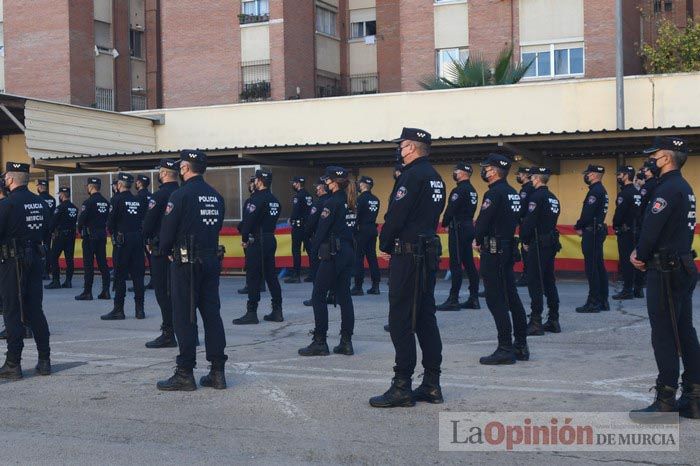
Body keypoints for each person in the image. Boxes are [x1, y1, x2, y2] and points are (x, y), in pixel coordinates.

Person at [370, 127, 445, 408]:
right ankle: (432, 383)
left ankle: (402, 385)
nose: (399, 150)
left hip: (409, 255)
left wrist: (385, 244)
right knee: (425, 317)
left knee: (401, 319)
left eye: (402, 146)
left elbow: (396, 216)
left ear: (412, 148)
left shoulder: (411, 176)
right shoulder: (436, 177)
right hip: (426, 254)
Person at [629, 136, 700, 420]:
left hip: (666, 271)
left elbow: (651, 229)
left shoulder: (668, 189)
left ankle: (666, 400)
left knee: (664, 335)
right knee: (685, 331)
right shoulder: (683, 187)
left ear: (667, 159)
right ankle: (694, 397)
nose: (650, 162)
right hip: (681, 266)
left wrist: (640, 255)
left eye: (654, 157)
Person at [155, 150, 228, 391]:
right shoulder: (216, 196)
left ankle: (185, 372)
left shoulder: (180, 195)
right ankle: (217, 372)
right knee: (212, 315)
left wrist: (165, 249)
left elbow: (167, 233)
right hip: (210, 260)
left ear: (185, 168)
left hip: (186, 264)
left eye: (181, 166)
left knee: (185, 317)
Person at [474, 154, 529, 365]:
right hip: (507, 248)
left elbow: (483, 222)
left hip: (494, 250)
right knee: (511, 296)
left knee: (496, 299)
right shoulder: (513, 193)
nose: (484, 171)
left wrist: (477, 239)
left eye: (486, 168)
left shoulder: (494, 193)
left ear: (494, 171)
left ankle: (505, 347)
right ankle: (521, 345)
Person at [0, 162, 52, 379]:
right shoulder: (41, 203)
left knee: (12, 310)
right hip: (36, 260)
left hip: (13, 263)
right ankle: (44, 360)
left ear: (10, 180)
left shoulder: (7, 204)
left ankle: (13, 363)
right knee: (34, 310)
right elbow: (48, 232)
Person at [298, 166, 357, 357]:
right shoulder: (350, 202)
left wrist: (314, 252)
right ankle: (346, 342)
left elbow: (322, 230)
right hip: (348, 250)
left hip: (333, 252)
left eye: (327, 180)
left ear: (332, 182)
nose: (325, 183)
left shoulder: (332, 203)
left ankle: (320, 341)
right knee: (344, 296)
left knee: (318, 296)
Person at [233, 169, 284, 325]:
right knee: (271, 275)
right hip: (270, 238)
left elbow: (248, 221)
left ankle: (251, 312)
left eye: (255, 180)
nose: (254, 182)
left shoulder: (256, 200)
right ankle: (277, 310)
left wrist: (244, 238)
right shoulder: (275, 200)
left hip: (257, 240)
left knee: (253, 276)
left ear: (260, 181)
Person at [143, 160, 180, 348]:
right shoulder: (183, 193)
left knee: (163, 293)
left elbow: (148, 225)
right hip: (182, 250)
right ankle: (186, 331)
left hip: (161, 250)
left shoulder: (159, 196)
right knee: (181, 293)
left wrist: (147, 239)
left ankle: (168, 333)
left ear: (164, 174)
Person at [521, 167, 561, 335]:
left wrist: (524, 239)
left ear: (536, 178)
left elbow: (530, 222)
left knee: (535, 281)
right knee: (549, 280)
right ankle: (553, 319)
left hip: (538, 243)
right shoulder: (553, 198)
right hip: (550, 242)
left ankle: (536, 321)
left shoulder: (536, 197)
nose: (531, 180)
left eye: (532, 178)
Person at [101, 173, 146, 320]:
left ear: (119, 185)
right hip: (138, 239)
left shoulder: (116, 199)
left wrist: (114, 235)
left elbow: (110, 222)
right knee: (138, 276)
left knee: (120, 276)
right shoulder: (138, 199)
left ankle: (118, 309)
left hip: (123, 241)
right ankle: (140, 310)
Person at [437, 162, 480, 311]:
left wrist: (445, 223)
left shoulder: (459, 190)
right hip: (468, 227)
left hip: (458, 229)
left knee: (455, 264)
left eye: (456, 171)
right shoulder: (473, 190)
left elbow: (451, 209)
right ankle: (474, 298)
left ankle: (453, 299)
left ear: (462, 173)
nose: (454, 173)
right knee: (469, 263)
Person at [574, 164, 610, 313]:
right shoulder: (601, 190)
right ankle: (602, 300)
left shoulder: (595, 191)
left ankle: (594, 302)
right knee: (599, 267)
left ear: (594, 175)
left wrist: (578, 226)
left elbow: (587, 214)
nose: (586, 176)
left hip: (592, 232)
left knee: (593, 268)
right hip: (597, 231)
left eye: (588, 174)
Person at [75, 177, 111, 301]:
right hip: (102, 236)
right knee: (103, 264)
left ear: (90, 187)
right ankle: (106, 291)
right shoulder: (106, 202)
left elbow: (81, 220)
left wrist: (80, 230)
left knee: (88, 264)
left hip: (89, 237)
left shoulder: (88, 202)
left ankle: (87, 292)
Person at [612, 166, 643, 300]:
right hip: (637, 231)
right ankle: (638, 289)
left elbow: (619, 214)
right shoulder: (637, 192)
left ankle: (627, 290)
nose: (618, 177)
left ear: (626, 175)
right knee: (637, 259)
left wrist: (615, 225)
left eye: (619, 174)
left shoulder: (624, 194)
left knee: (626, 261)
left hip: (626, 232)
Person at [303, 178, 332, 306]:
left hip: (319, 241)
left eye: (318, 187)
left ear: (322, 188)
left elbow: (311, 223)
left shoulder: (319, 203)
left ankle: (317, 297)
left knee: (316, 270)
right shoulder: (334, 201)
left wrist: (307, 237)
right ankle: (331, 294)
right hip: (333, 241)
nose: (316, 189)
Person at [351, 176, 381, 296]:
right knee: (372, 257)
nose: (357, 185)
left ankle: (358, 287)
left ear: (363, 185)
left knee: (358, 258)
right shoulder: (376, 199)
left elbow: (356, 217)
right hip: (372, 230)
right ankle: (376, 286)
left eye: (359, 183)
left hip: (361, 230)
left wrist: (353, 230)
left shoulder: (360, 199)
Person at [44, 187, 78, 289]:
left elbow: (53, 222)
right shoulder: (74, 208)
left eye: (60, 194)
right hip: (71, 236)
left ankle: (56, 281)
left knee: (53, 257)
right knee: (69, 258)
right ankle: (68, 281)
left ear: (62, 195)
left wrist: (49, 231)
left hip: (60, 236)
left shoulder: (60, 208)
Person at [237, 176, 265, 295]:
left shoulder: (254, 200)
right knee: (258, 262)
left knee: (251, 262)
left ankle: (251, 285)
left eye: (251, 183)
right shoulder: (255, 199)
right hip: (257, 234)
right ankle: (260, 284)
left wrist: (244, 234)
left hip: (252, 236)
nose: (249, 185)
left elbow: (248, 220)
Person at [286, 176, 313, 283]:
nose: (293, 185)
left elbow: (296, 210)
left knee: (296, 250)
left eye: (294, 183)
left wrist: (291, 219)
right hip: (307, 226)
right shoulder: (308, 195)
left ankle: (296, 275)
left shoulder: (298, 196)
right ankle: (313, 274)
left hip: (298, 226)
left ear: (297, 184)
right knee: (310, 251)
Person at [515, 167, 534, 287]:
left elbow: (520, 208)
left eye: (520, 174)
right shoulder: (531, 188)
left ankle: (527, 276)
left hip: (526, 224)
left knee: (527, 251)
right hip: (529, 224)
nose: (518, 176)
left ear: (526, 175)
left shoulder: (526, 190)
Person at [136, 174, 154, 289]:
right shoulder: (151, 196)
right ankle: (154, 280)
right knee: (151, 257)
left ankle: (139, 283)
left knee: (139, 258)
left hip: (140, 230)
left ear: (140, 183)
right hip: (151, 229)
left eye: (137, 182)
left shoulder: (139, 197)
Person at [36, 179, 55, 280]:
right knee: (48, 249)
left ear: (39, 187)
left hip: (39, 228)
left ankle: (41, 271)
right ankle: (47, 271)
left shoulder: (37, 199)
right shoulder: (52, 199)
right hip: (49, 228)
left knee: (38, 250)